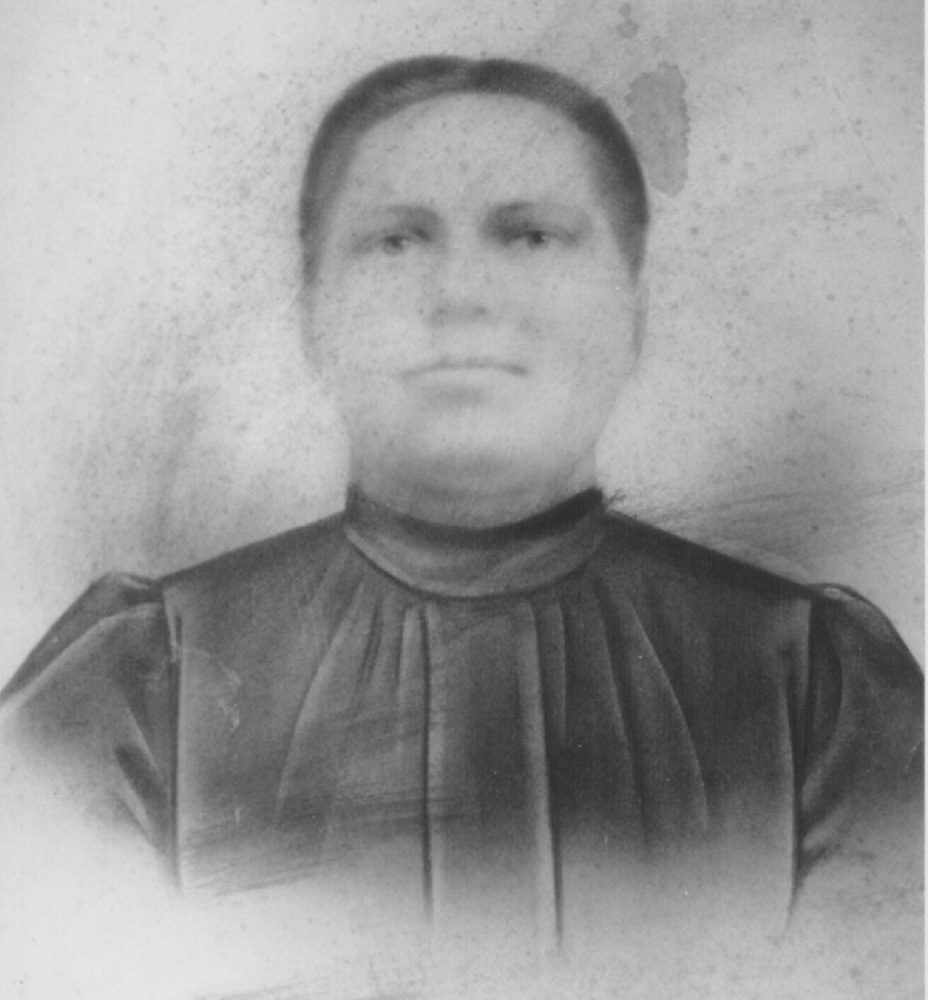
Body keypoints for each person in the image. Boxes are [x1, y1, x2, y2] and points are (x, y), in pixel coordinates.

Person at [1, 55, 922, 988]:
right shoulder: (135, 691)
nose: (462, 296)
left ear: (633, 313)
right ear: (313, 311)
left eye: (532, 236)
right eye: (396, 241)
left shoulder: (820, 694)